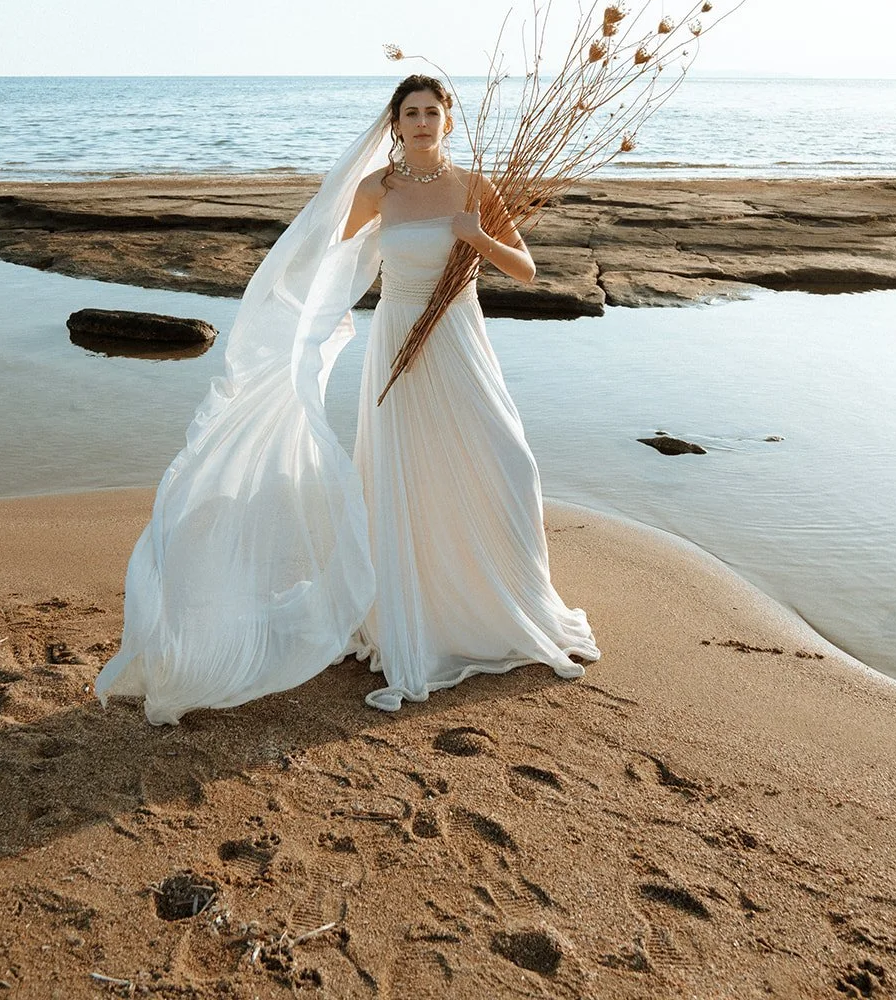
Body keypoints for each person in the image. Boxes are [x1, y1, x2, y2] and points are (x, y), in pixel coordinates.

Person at [95, 75, 598, 724]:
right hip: (396, 343)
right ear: (394, 124)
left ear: (448, 120)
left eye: (431, 111)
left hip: (460, 341)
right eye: (409, 112)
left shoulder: (473, 187)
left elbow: (524, 270)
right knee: (405, 474)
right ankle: (406, 612)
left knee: (505, 465)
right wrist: (303, 336)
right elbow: (336, 262)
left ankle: (500, 602)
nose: (421, 121)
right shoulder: (375, 190)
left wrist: (476, 237)